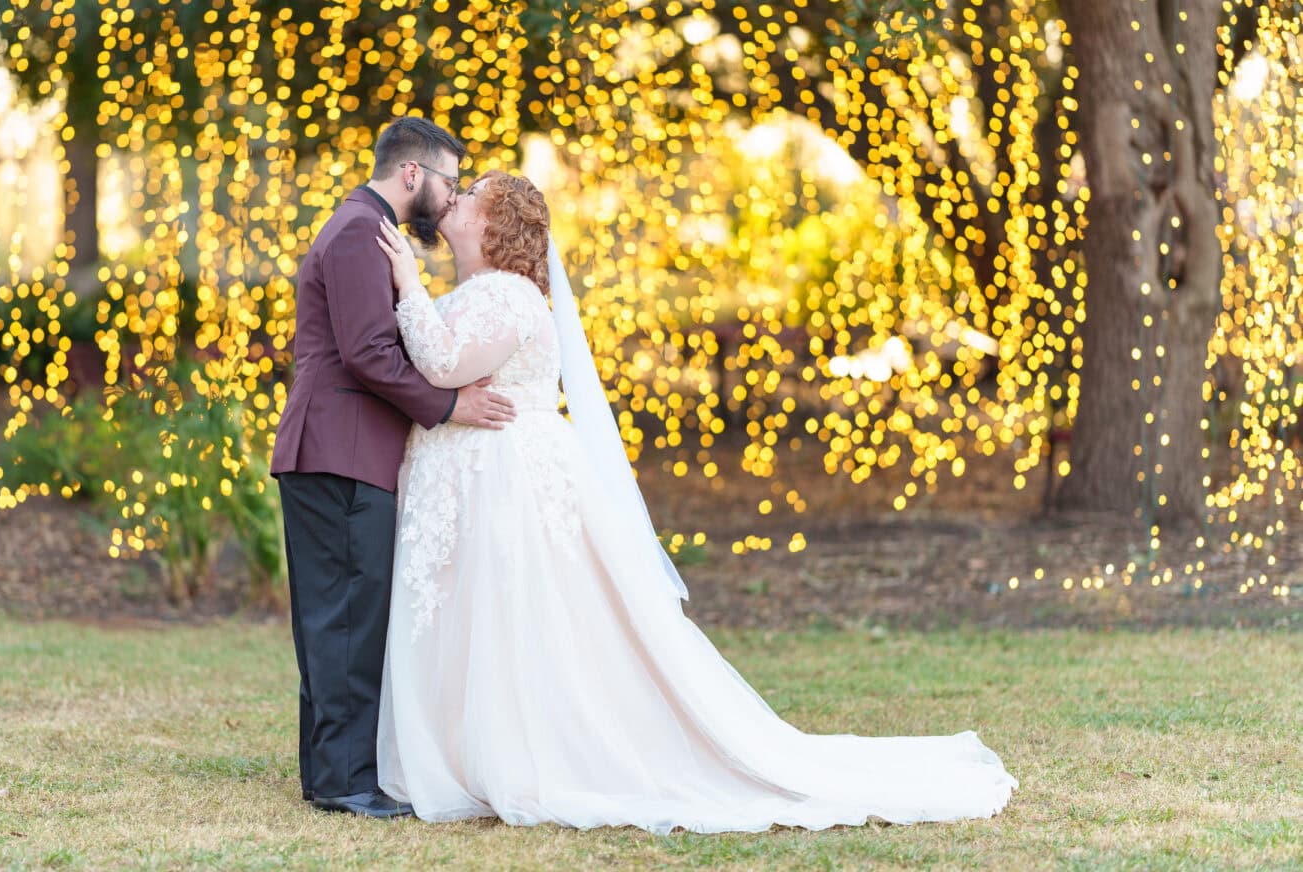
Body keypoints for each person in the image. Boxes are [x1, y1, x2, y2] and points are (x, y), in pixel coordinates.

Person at [371, 170, 1017, 833]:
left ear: (496, 223)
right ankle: (460, 748)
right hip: (471, 484)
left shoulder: (508, 297)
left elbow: (444, 366)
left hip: (508, 483)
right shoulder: (477, 292)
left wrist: (409, 287)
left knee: (512, 617)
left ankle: (509, 753)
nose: (454, 200)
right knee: (473, 614)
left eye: (471, 195)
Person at [269, 117, 516, 820]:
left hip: (339, 449)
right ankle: (345, 781)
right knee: (347, 614)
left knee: (336, 613)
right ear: (413, 174)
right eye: (450, 180)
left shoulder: (368, 229)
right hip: (339, 449)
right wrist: (448, 405)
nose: (452, 195)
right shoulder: (358, 232)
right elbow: (368, 355)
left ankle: (331, 774)